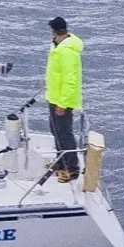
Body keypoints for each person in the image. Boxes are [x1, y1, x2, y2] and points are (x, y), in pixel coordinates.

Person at [45, 17, 84, 181]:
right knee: (55, 130)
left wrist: (63, 103)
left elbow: (70, 79)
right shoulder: (58, 46)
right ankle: (61, 162)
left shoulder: (67, 51)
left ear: (54, 31)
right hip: (54, 96)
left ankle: (72, 169)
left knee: (64, 133)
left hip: (62, 100)